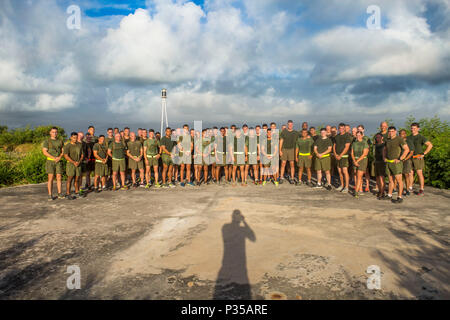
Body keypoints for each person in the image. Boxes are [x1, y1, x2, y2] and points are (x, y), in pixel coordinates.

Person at [384, 126, 409, 203]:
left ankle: (399, 197)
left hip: (396, 163)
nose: (391, 133)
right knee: (390, 180)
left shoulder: (399, 139)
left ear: (395, 131)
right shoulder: (387, 140)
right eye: (389, 131)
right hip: (389, 162)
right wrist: (384, 157)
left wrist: (400, 158)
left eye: (392, 131)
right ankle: (389, 195)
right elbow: (384, 150)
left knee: (399, 180)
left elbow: (407, 149)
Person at [409, 122, 433, 196]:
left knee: (419, 173)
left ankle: (421, 189)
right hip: (410, 157)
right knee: (410, 173)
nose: (413, 129)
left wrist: (424, 154)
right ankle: (410, 188)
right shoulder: (409, 137)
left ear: (418, 129)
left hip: (418, 157)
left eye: (414, 128)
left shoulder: (421, 137)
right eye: (412, 128)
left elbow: (430, 145)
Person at [42, 127, 64, 201]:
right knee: (50, 178)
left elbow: (62, 151)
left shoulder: (60, 141)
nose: (54, 133)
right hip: (50, 161)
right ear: (50, 132)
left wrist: (59, 157)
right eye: (53, 132)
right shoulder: (47, 141)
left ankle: (59, 193)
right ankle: (50, 194)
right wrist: (54, 158)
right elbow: (45, 152)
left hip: (58, 161)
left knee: (59, 177)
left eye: (56, 132)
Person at [64, 132, 84, 199]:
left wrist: (79, 161)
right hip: (70, 164)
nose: (75, 139)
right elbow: (66, 156)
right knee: (70, 179)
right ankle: (68, 193)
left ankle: (77, 192)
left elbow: (82, 155)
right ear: (71, 138)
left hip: (78, 164)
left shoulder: (79, 145)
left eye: (76, 137)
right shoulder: (67, 146)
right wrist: (73, 162)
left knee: (77, 178)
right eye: (74, 138)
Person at [333, 123, 352, 193]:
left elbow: (347, 147)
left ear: (344, 128)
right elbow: (334, 146)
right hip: (337, 157)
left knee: (344, 171)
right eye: (339, 128)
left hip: (344, 157)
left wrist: (340, 155)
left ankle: (346, 187)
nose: (340, 129)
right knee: (340, 172)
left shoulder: (347, 136)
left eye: (342, 128)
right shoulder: (337, 136)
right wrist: (335, 154)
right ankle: (342, 185)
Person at [279, 120, 299, 184]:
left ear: (292, 125)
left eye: (291, 124)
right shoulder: (284, 132)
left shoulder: (296, 133)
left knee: (292, 164)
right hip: (284, 149)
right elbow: (281, 141)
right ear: (287, 125)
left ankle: (292, 178)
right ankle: (281, 177)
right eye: (289, 124)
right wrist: (280, 150)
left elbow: (300, 140)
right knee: (283, 164)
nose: (290, 125)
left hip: (292, 149)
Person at [351, 131, 369, 198]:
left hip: (362, 160)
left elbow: (365, 153)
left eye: (359, 135)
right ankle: (358, 188)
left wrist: (357, 161)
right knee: (355, 174)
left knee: (359, 175)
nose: (358, 136)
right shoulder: (354, 143)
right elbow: (352, 153)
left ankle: (356, 191)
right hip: (355, 160)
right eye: (357, 135)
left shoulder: (364, 143)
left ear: (362, 135)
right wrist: (354, 160)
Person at [400, 129, 415, 196]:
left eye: (403, 133)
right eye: (400, 133)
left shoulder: (408, 141)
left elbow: (411, 152)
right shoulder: (399, 141)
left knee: (406, 175)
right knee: (399, 175)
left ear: (405, 134)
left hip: (407, 160)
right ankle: (399, 189)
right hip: (399, 160)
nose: (401, 135)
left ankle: (407, 189)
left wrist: (405, 158)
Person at [373, 133, 387, 200]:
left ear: (382, 137)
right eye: (376, 137)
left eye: (379, 137)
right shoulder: (375, 145)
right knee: (377, 178)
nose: (377, 138)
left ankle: (382, 192)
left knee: (382, 178)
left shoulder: (384, 144)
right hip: (376, 162)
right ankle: (379, 190)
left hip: (382, 162)